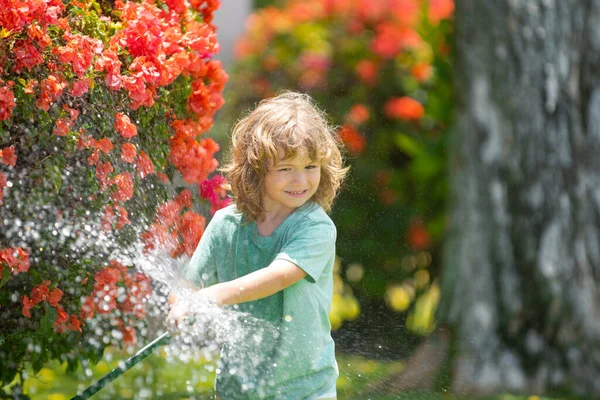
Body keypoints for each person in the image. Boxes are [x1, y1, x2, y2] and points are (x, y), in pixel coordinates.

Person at [168, 91, 348, 399]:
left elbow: (280, 275)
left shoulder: (314, 226)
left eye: (310, 167)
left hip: (304, 388)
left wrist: (212, 296)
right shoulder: (227, 224)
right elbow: (187, 282)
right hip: (237, 389)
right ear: (257, 167)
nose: (300, 179)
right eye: (286, 168)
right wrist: (181, 305)